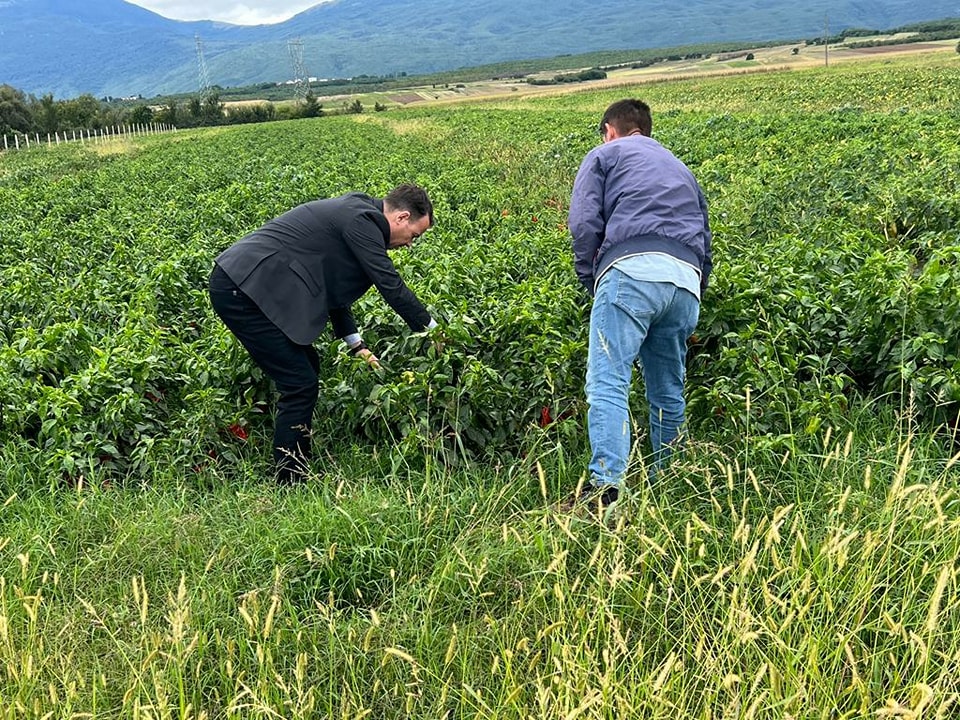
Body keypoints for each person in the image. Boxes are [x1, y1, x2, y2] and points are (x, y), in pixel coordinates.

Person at [208, 183, 439, 483]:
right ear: (402, 217)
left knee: (306, 369)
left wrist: (356, 345)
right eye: (414, 236)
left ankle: (294, 458)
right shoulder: (363, 222)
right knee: (299, 382)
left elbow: (332, 286)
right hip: (243, 286)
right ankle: (290, 481)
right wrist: (434, 333)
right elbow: (391, 286)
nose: (409, 244)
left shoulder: (360, 213)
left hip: (247, 284)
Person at [566, 99, 712, 508]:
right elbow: (705, 235)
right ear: (644, 130)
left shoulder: (604, 155)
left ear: (610, 130)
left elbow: (583, 222)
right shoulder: (680, 166)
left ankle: (606, 490)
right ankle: (671, 482)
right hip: (685, 281)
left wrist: (591, 279)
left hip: (630, 272)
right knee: (667, 388)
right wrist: (696, 287)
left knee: (608, 380)